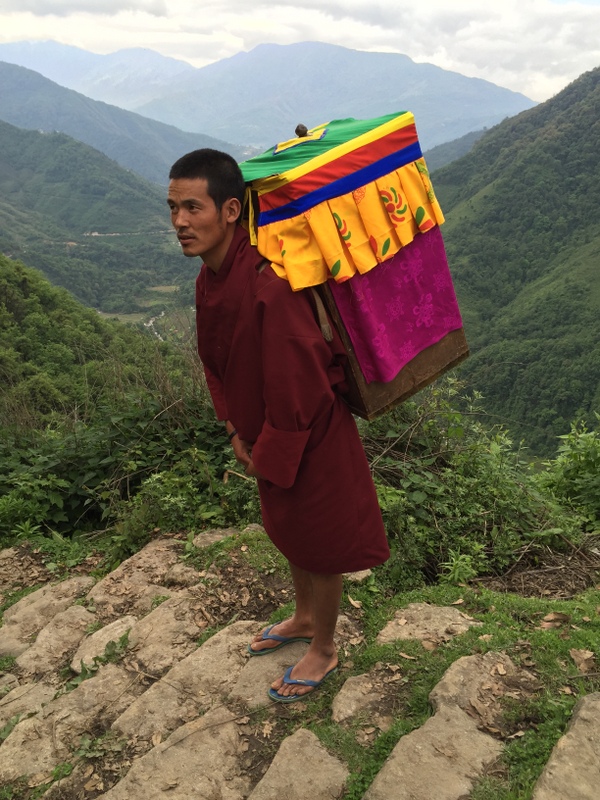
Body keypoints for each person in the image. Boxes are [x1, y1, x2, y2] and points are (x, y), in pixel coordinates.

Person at [168, 148, 390, 702]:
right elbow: (213, 360)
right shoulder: (209, 279)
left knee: (320, 540)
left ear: (231, 212)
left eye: (193, 208)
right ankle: (303, 617)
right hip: (260, 435)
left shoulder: (270, 282)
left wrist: (267, 448)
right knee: (287, 529)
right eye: (172, 208)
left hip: (308, 436)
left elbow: (304, 386)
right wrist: (234, 430)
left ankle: (327, 646)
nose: (180, 222)